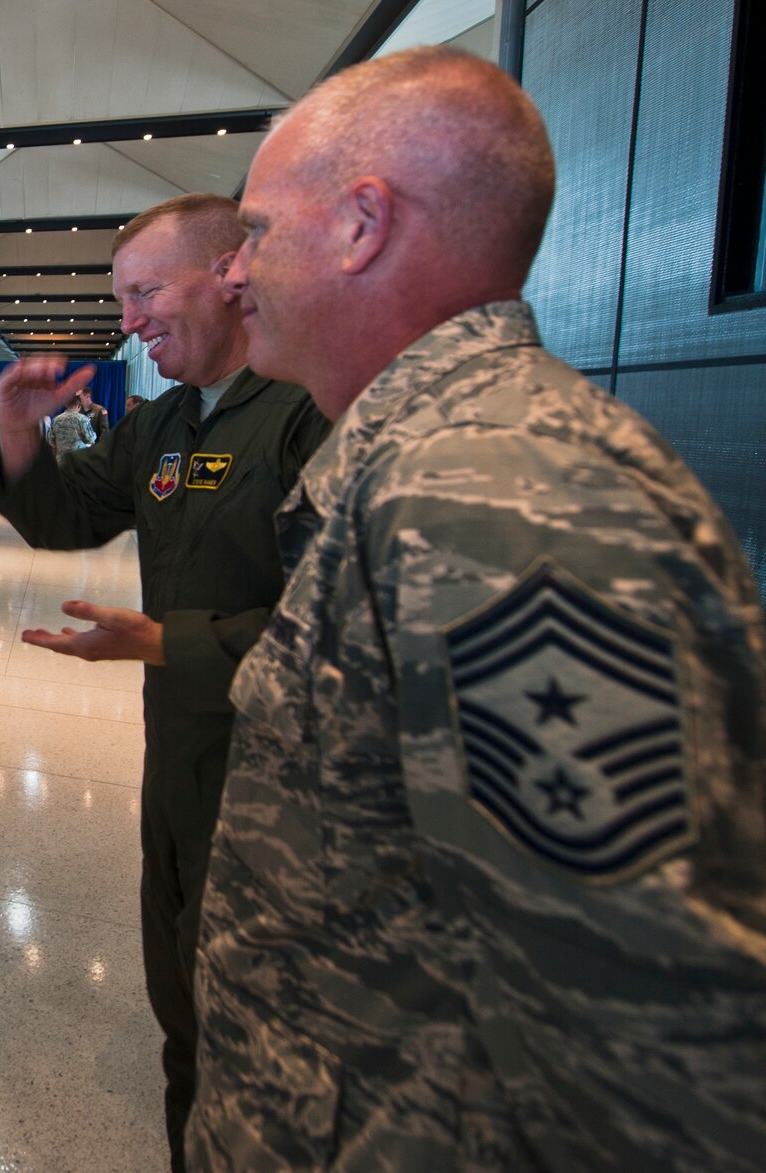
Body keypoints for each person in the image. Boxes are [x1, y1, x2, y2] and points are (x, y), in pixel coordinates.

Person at [190, 46, 766, 1168]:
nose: (228, 274)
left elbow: (640, 1047)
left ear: (361, 224)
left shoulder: (491, 491)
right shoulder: (427, 465)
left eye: (254, 232)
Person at [0, 192, 330, 1171]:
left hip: (280, 783)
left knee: (256, 1022)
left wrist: (163, 643)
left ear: (229, 273)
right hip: (176, 760)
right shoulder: (163, 422)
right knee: (178, 992)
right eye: (121, 300)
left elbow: (349, 628)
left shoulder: (308, 413)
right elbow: (68, 518)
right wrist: (16, 429)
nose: (127, 321)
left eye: (142, 292)